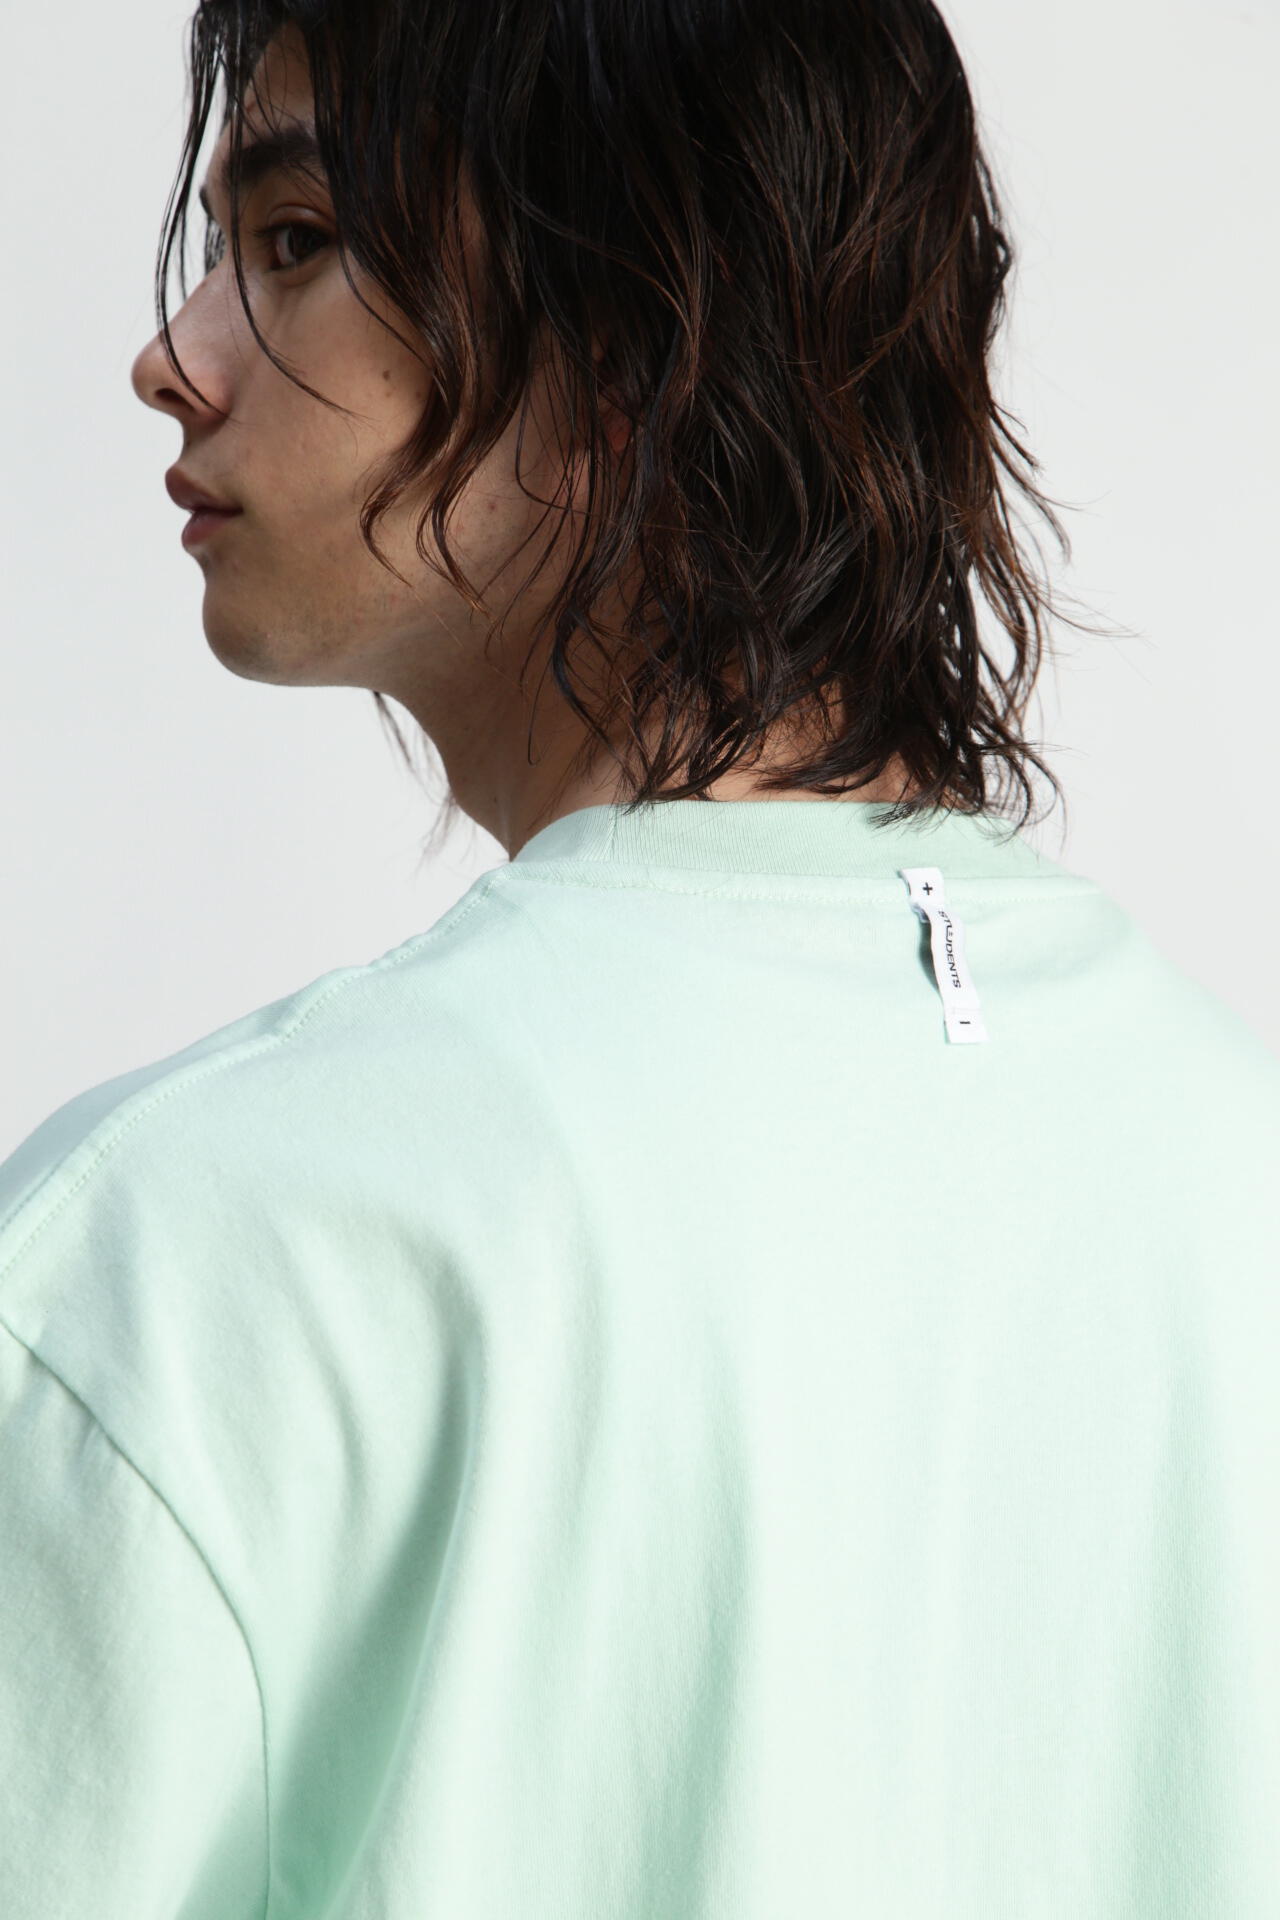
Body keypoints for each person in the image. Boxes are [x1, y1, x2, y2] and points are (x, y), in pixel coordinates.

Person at [1, 4, 1276, 1915]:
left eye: (296, 242)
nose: (172, 359)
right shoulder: (1236, 1164)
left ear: (631, 339)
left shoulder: (181, 1265)